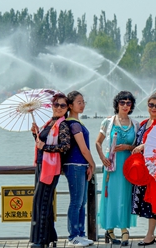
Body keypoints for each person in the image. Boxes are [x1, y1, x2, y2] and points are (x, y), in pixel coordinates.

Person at [95, 91, 139, 246]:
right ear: (117, 104)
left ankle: (124, 228)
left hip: (128, 165)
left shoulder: (135, 124)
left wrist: (128, 146)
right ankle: (110, 228)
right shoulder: (108, 122)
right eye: (122, 102)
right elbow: (98, 142)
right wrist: (102, 158)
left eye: (128, 103)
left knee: (125, 196)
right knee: (111, 196)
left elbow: (137, 147)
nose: (125, 105)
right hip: (112, 164)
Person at [30, 92, 71, 248]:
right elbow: (41, 145)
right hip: (42, 165)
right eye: (56, 104)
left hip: (51, 168)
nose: (59, 108)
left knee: (41, 202)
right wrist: (35, 134)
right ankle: (51, 237)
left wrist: (45, 146)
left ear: (67, 108)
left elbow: (65, 146)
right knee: (42, 202)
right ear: (52, 106)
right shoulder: (49, 123)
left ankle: (40, 240)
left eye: (63, 105)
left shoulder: (63, 124)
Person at [130, 92, 156, 246]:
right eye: (151, 105)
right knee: (149, 201)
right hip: (143, 170)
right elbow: (136, 144)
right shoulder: (143, 123)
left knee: (153, 201)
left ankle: (150, 235)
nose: (154, 108)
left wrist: (145, 146)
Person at [63, 91, 96, 247]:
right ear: (70, 105)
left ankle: (81, 234)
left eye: (83, 102)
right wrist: (93, 163)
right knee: (76, 202)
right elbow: (83, 149)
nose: (82, 105)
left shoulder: (77, 123)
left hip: (80, 166)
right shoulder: (73, 124)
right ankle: (73, 236)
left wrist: (88, 164)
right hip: (75, 165)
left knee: (81, 202)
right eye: (79, 102)